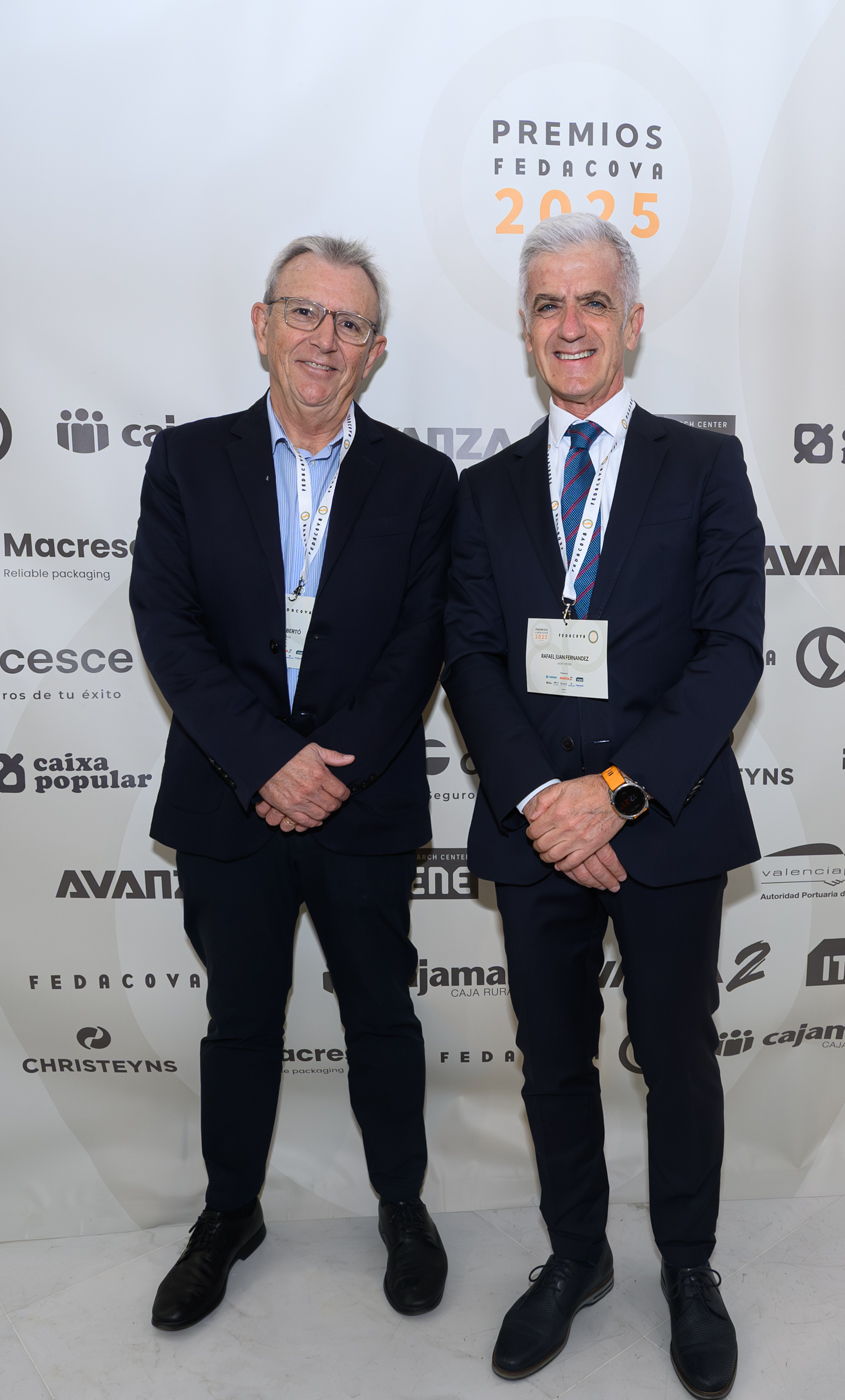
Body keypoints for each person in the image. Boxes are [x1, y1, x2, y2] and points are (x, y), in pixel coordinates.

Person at [443, 212, 764, 1397]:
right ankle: (576, 1254)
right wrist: (546, 798)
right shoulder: (482, 491)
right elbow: (471, 655)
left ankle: (688, 1266)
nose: (569, 324)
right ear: (527, 328)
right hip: (536, 827)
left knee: (678, 1053)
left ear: (631, 322)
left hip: (664, 818)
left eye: (590, 302)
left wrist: (615, 794)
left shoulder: (705, 467)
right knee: (551, 1059)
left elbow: (731, 649)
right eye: (547, 303)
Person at [130, 235, 457, 1331]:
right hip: (230, 795)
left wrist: (327, 769)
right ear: (261, 324)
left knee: (381, 1012)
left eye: (349, 323)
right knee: (238, 1017)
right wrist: (267, 758)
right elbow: (168, 624)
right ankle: (230, 1213)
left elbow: (420, 644)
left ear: (375, 350)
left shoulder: (422, 480)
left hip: (363, 798)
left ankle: (403, 1205)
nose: (324, 339)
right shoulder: (187, 461)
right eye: (304, 313)